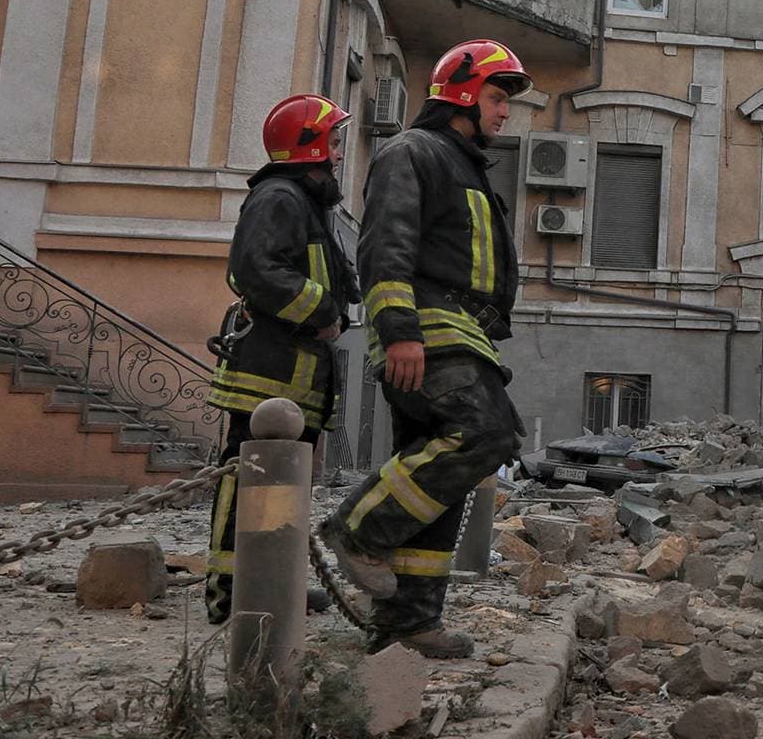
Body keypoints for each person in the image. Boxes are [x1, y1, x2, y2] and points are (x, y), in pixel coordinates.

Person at [318, 38, 530, 658]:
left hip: (460, 330)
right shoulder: (413, 151)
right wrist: (400, 332)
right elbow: (386, 247)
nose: (505, 112)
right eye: (496, 97)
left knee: (437, 481)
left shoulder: (463, 164)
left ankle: (407, 622)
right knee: (487, 434)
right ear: (462, 94)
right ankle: (358, 529)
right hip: (431, 328)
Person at [204, 94, 360, 624]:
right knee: (248, 477)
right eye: (333, 142)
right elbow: (256, 271)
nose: (339, 153)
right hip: (268, 371)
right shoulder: (279, 197)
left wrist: (338, 308)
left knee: (284, 484)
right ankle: (230, 592)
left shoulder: (305, 203)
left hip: (294, 373)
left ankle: (272, 583)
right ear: (308, 145)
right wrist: (323, 312)